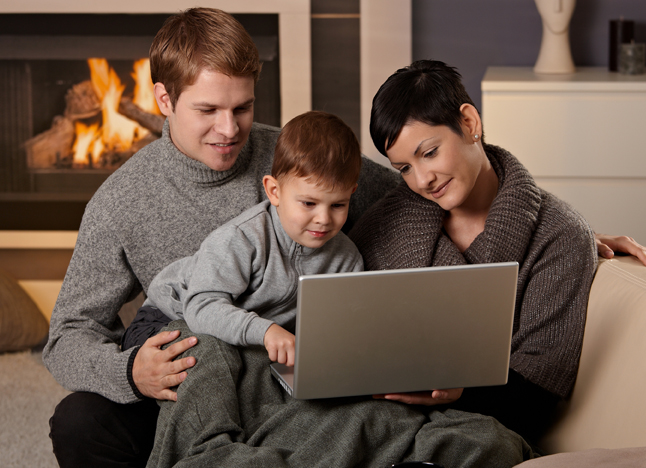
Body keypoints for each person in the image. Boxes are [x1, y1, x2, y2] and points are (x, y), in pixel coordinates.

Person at [44, 8, 400, 468]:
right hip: (190, 383)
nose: (229, 130)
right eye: (207, 110)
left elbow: (408, 193)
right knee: (79, 422)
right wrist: (130, 372)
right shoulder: (121, 200)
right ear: (165, 100)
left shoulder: (293, 156)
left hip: (284, 380)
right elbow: (68, 336)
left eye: (243, 108)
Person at [347, 59, 610, 443]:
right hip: (372, 419)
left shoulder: (560, 237)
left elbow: (537, 396)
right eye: (403, 168)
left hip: (479, 430)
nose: (422, 180)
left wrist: (462, 391)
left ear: (469, 124)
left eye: (430, 153)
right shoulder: (386, 220)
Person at [140, 111, 364, 368]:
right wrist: (266, 331)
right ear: (274, 191)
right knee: (210, 359)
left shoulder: (347, 260)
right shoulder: (242, 238)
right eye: (309, 203)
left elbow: (336, 328)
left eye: (338, 205)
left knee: (268, 371)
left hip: (246, 333)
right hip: (170, 316)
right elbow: (201, 307)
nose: (324, 219)